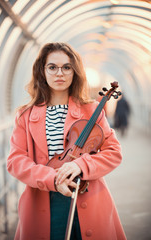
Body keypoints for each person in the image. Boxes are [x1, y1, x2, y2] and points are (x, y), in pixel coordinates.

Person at [7, 42, 126, 240]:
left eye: (67, 67)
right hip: (44, 200)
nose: (59, 73)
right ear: (42, 71)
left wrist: (81, 164)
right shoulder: (25, 115)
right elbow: (15, 160)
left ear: (75, 72)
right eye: (52, 67)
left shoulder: (92, 110)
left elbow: (113, 152)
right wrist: (52, 178)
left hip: (90, 199)